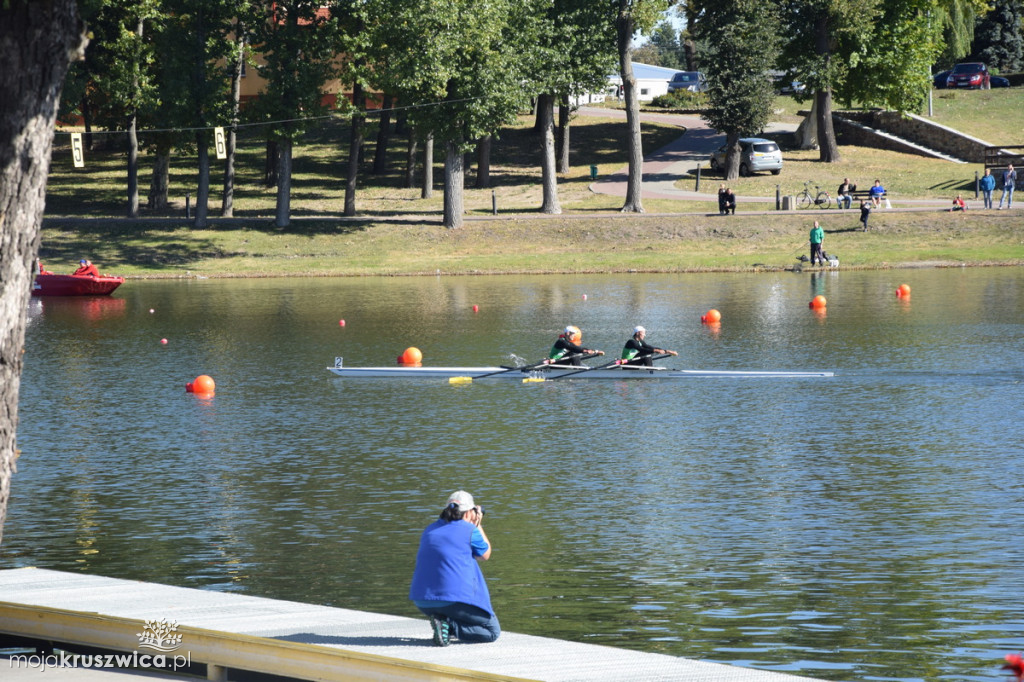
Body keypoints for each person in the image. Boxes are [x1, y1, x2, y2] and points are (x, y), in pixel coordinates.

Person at [409, 490, 500, 647]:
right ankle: (450, 627)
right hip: (453, 601)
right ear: (467, 513)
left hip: (423, 601)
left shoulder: (429, 530)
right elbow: (485, 555)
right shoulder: (470, 530)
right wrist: (478, 525)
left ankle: (442, 623)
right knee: (492, 631)